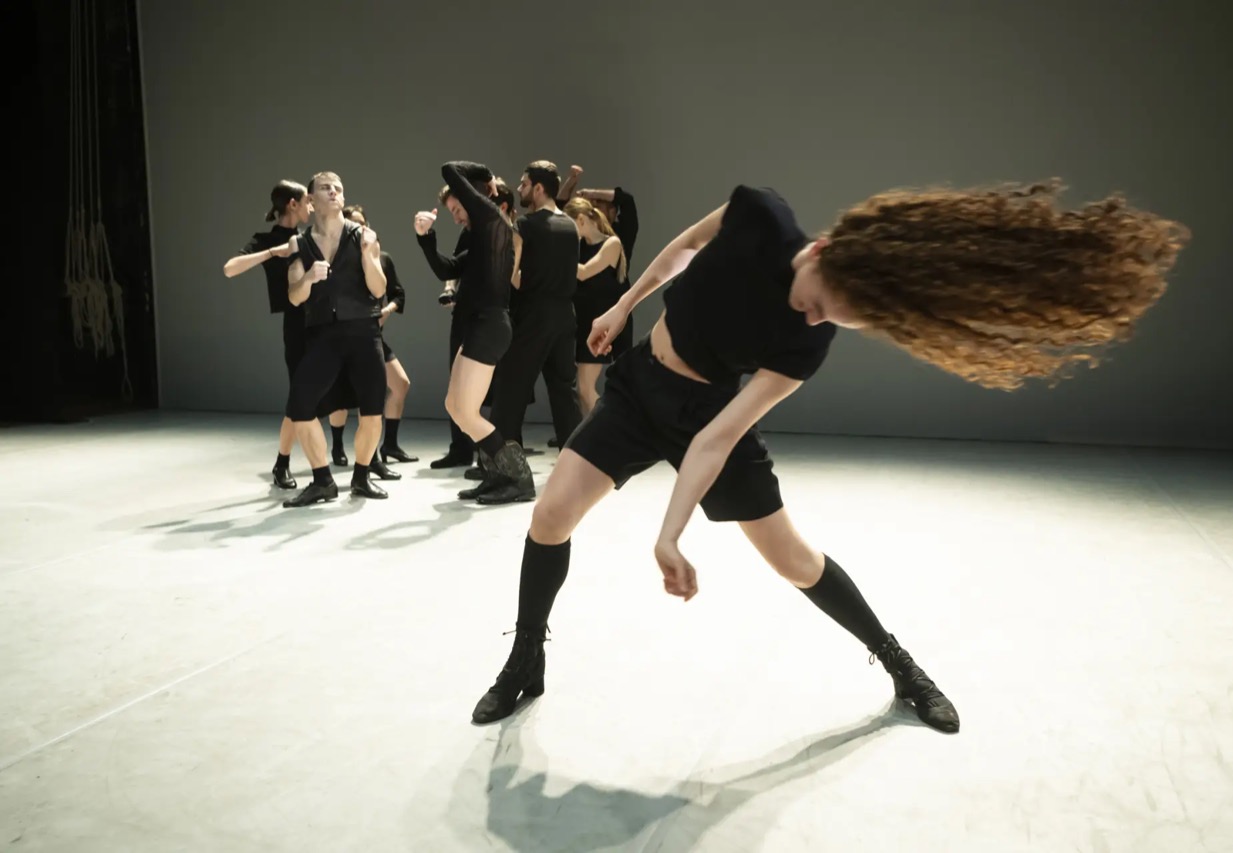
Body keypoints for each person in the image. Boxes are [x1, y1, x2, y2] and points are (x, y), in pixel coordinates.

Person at [469, 179, 1189, 731]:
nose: (813, 319)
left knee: (794, 560)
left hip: (705, 414)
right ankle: (526, 654)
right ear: (817, 252)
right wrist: (625, 306)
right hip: (638, 390)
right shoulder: (759, 215)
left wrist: (670, 531)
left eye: (833, 319)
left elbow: (720, 434)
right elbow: (685, 246)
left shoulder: (809, 341)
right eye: (819, 304)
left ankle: (900, 663)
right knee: (550, 515)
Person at [414, 161, 529, 499]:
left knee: (466, 410)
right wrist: (425, 239)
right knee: (455, 406)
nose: (456, 216)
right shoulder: (480, 235)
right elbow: (446, 269)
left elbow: (450, 169)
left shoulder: (491, 219)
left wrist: (487, 176)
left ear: (474, 196)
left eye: (457, 208)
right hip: (480, 325)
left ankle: (518, 480)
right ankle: (496, 473)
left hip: (490, 325)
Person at [476, 160, 583, 505]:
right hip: (566, 316)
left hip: (534, 315)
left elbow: (511, 272)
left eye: (523, 185)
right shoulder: (571, 226)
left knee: (509, 396)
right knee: (565, 397)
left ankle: (508, 478)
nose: (520, 190)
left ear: (538, 188)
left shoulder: (525, 224)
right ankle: (579, 477)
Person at [282, 171, 390, 507]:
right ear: (311, 201)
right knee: (300, 405)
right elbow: (295, 298)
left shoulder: (363, 236)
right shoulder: (299, 244)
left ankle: (361, 477)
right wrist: (309, 280)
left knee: (372, 409)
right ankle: (322, 481)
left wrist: (368, 255)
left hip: (363, 330)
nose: (333, 192)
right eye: (325, 188)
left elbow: (379, 289)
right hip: (323, 335)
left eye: (338, 188)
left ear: (343, 199)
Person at [221, 180, 310, 488]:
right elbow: (230, 268)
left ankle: (362, 458)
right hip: (298, 324)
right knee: (300, 397)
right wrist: (274, 252)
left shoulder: (314, 235)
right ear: (293, 204)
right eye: (306, 201)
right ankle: (282, 464)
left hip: (328, 320)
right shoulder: (268, 239)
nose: (311, 206)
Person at [343, 204, 415, 469]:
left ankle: (390, 445)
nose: (359, 229)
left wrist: (386, 310)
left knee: (401, 384)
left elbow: (399, 294)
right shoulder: (339, 260)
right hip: (348, 337)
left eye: (363, 223)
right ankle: (365, 456)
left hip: (372, 336)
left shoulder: (381, 257)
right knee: (360, 397)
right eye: (352, 224)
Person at [562, 197, 628, 415]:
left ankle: (608, 432)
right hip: (579, 324)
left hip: (597, 326)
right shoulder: (579, 246)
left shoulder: (612, 244)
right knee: (580, 390)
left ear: (581, 220)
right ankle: (588, 440)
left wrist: (554, 255)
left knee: (585, 389)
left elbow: (585, 272)